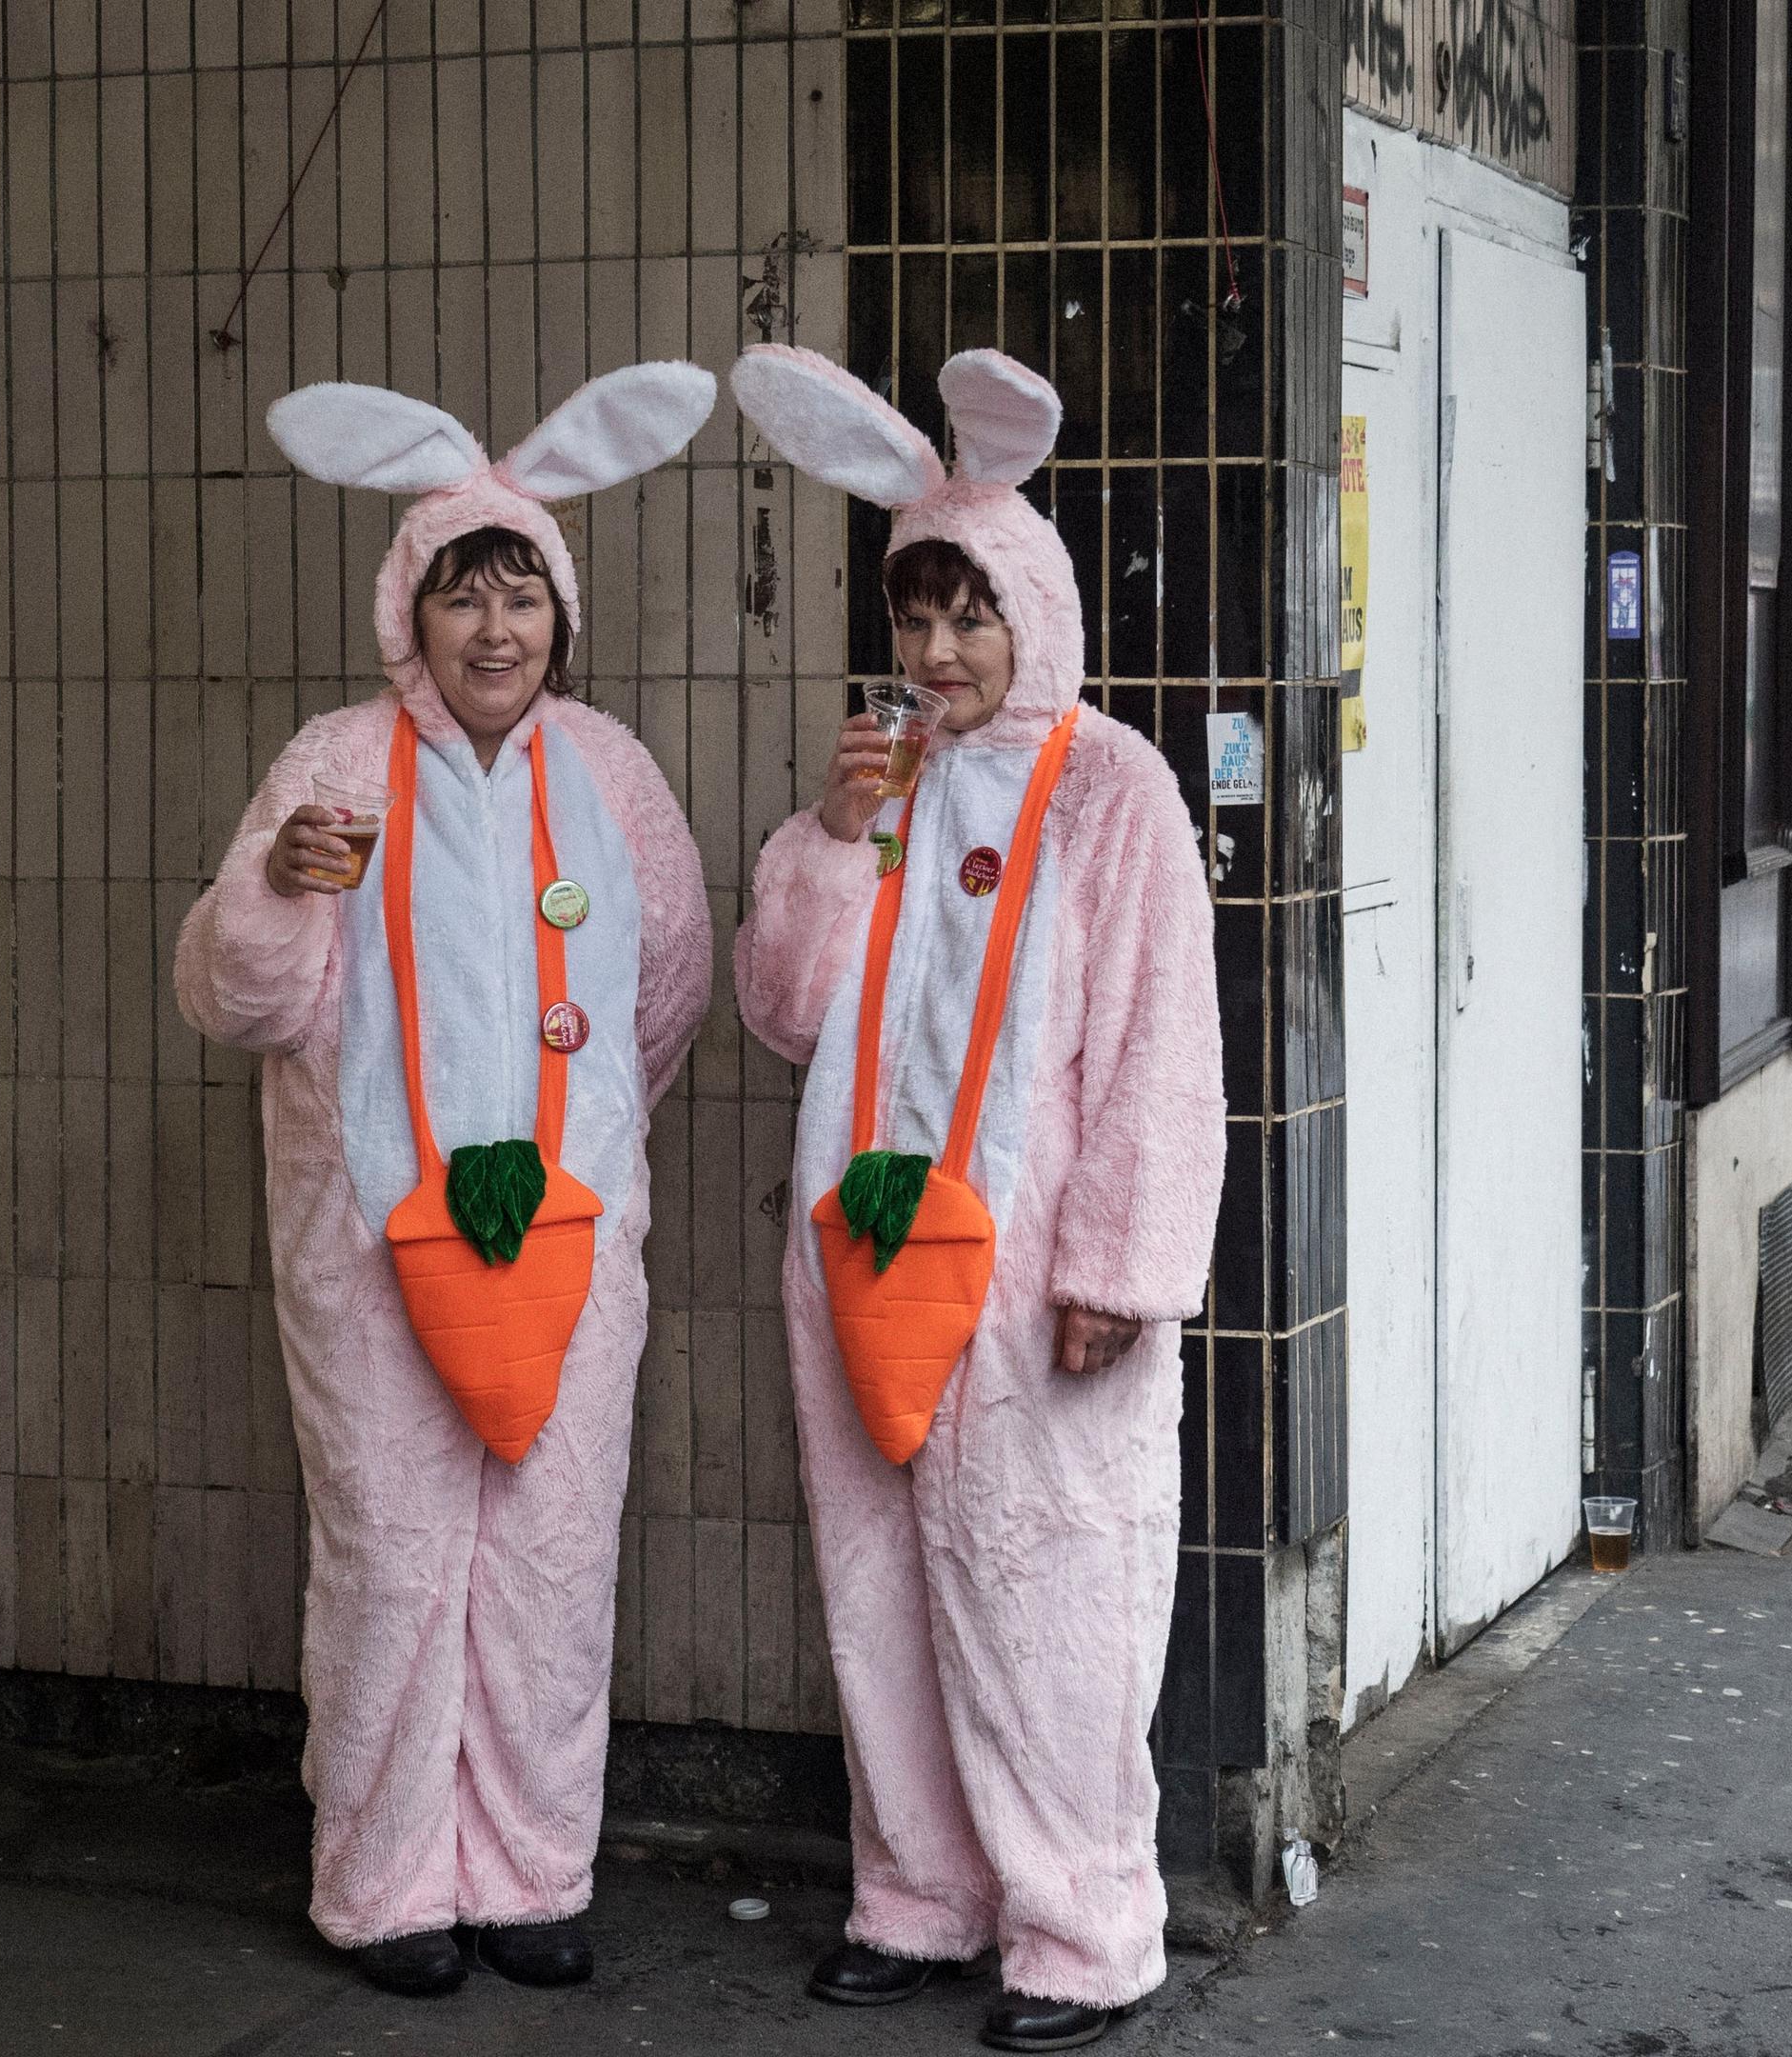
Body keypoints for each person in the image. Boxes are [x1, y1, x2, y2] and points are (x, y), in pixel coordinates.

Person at [173, 365, 717, 1998]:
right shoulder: (334, 762)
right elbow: (234, 998)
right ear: (409, 611)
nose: (496, 629)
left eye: (522, 593)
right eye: (461, 595)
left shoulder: (612, 776)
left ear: (565, 611)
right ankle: (387, 1880)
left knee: (554, 1555)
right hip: (370, 1235)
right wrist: (276, 888)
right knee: (398, 1558)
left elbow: (669, 987)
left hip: (566, 1232)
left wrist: (598, 1158)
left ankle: (533, 1871)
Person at [726, 345, 1225, 2051]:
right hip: (859, 1246)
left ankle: (1085, 1929)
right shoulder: (887, 780)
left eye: (971, 617)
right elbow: (781, 1010)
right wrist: (827, 834)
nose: (938, 655)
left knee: (1053, 1590)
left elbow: (1165, 1047)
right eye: (915, 617)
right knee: (879, 1580)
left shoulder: (1115, 787)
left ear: (1036, 611)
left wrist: (1124, 1265)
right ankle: (922, 1897)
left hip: (1033, 1276)